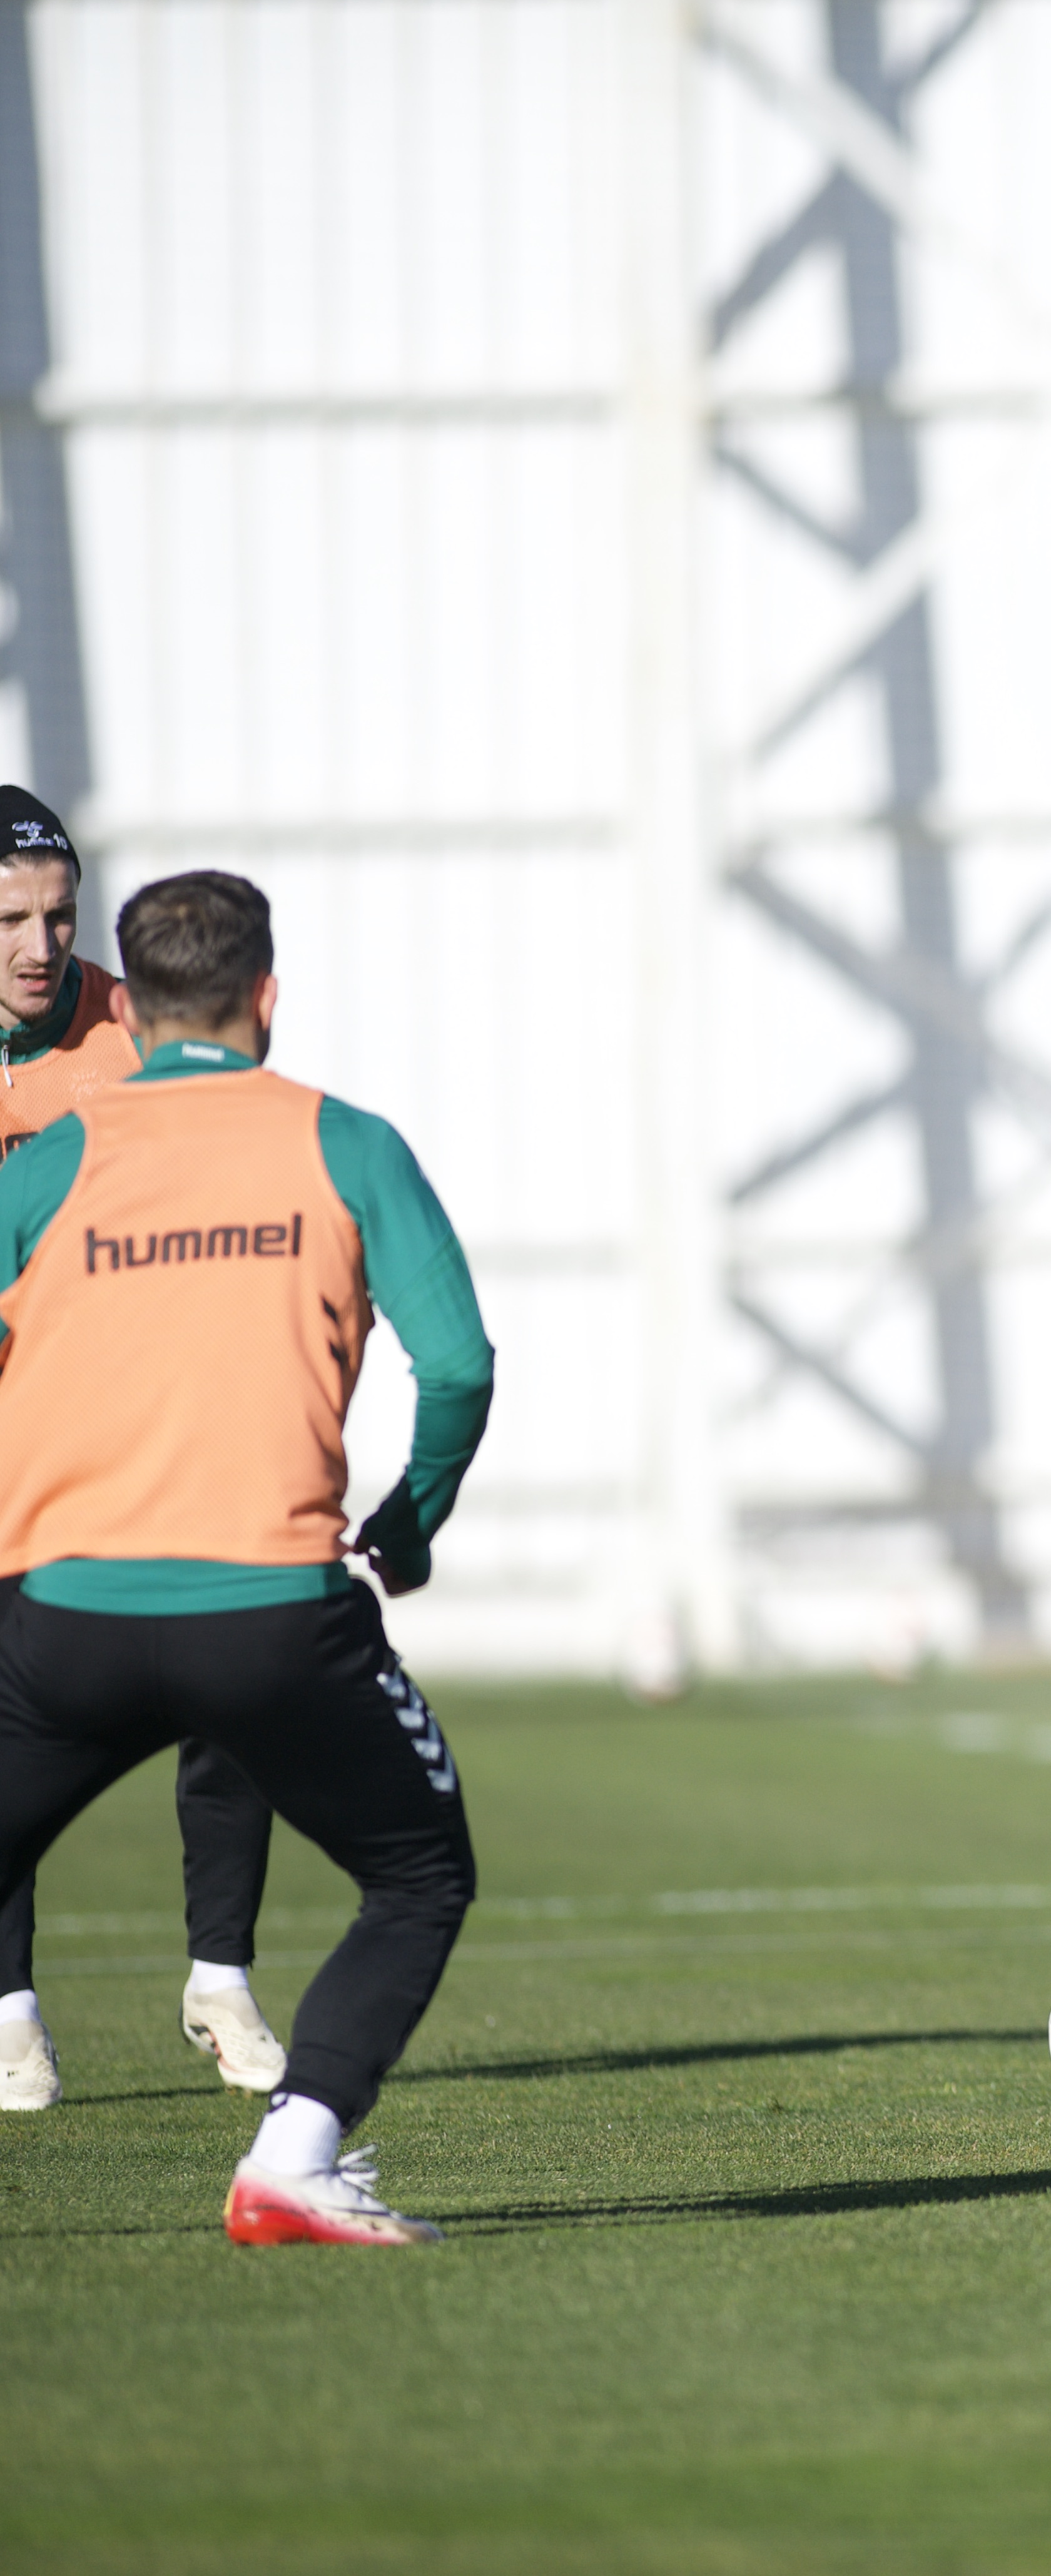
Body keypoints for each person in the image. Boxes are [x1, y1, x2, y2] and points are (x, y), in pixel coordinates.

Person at [0, 870, 494, 2243]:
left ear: (132, 1015)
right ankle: (295, 2149)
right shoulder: (349, 1145)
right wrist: (411, 1521)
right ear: (266, 998)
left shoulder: (46, 1164)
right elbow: (459, 1366)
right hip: (273, 1618)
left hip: (65, 1618)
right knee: (421, 1875)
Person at [0, 789, 288, 2113]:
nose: (39, 945)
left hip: (138, 1419)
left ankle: (220, 1977)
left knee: (232, 1676)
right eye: (11, 919)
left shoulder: (140, 1032)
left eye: (59, 915)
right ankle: (10, 2013)